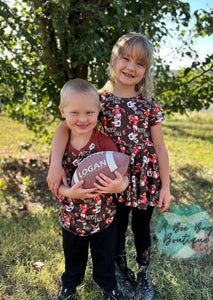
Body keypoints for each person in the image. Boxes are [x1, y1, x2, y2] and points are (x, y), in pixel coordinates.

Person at [47, 33, 171, 300]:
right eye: (125, 58)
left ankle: (144, 273)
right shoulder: (100, 100)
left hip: (141, 179)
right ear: (113, 61)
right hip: (110, 177)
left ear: (146, 70)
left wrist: (166, 186)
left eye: (139, 63)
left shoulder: (149, 105)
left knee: (141, 228)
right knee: (114, 227)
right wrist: (55, 164)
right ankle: (119, 269)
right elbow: (63, 128)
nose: (130, 67)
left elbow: (160, 147)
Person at [50, 78, 129, 300]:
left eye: (89, 113)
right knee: (73, 257)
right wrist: (70, 193)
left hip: (103, 217)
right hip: (72, 218)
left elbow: (124, 176)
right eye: (74, 113)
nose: (83, 119)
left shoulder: (104, 143)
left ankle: (109, 287)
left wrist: (119, 185)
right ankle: (69, 285)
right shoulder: (61, 145)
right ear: (62, 111)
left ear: (98, 110)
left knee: (104, 257)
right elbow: (56, 186)